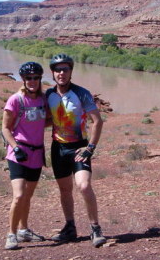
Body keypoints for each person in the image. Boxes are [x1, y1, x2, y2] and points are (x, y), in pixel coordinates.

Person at [45, 53, 107, 248]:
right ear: (53, 73)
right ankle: (70, 228)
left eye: (65, 69)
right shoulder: (48, 95)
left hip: (79, 147)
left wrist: (90, 148)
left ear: (71, 71)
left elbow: (97, 121)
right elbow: (47, 119)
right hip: (58, 148)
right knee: (65, 190)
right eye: (57, 70)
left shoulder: (81, 93)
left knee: (84, 186)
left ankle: (95, 228)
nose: (61, 73)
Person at [2, 61, 47, 250]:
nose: (32, 81)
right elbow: (5, 127)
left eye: (36, 78)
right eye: (29, 78)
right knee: (19, 195)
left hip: (36, 153)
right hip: (18, 153)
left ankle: (24, 230)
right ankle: (11, 235)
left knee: (28, 196)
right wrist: (15, 146)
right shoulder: (15, 100)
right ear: (23, 79)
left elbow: (46, 121)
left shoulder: (44, 100)